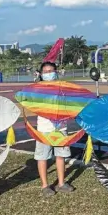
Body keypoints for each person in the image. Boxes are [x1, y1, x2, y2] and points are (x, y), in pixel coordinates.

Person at [34, 61, 75, 196]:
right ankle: (45, 185)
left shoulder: (62, 88)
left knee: (60, 156)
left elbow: (70, 104)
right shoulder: (37, 89)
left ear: (56, 72)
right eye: (45, 72)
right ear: (40, 74)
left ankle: (61, 183)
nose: (48, 74)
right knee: (43, 157)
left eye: (51, 71)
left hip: (61, 128)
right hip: (44, 129)